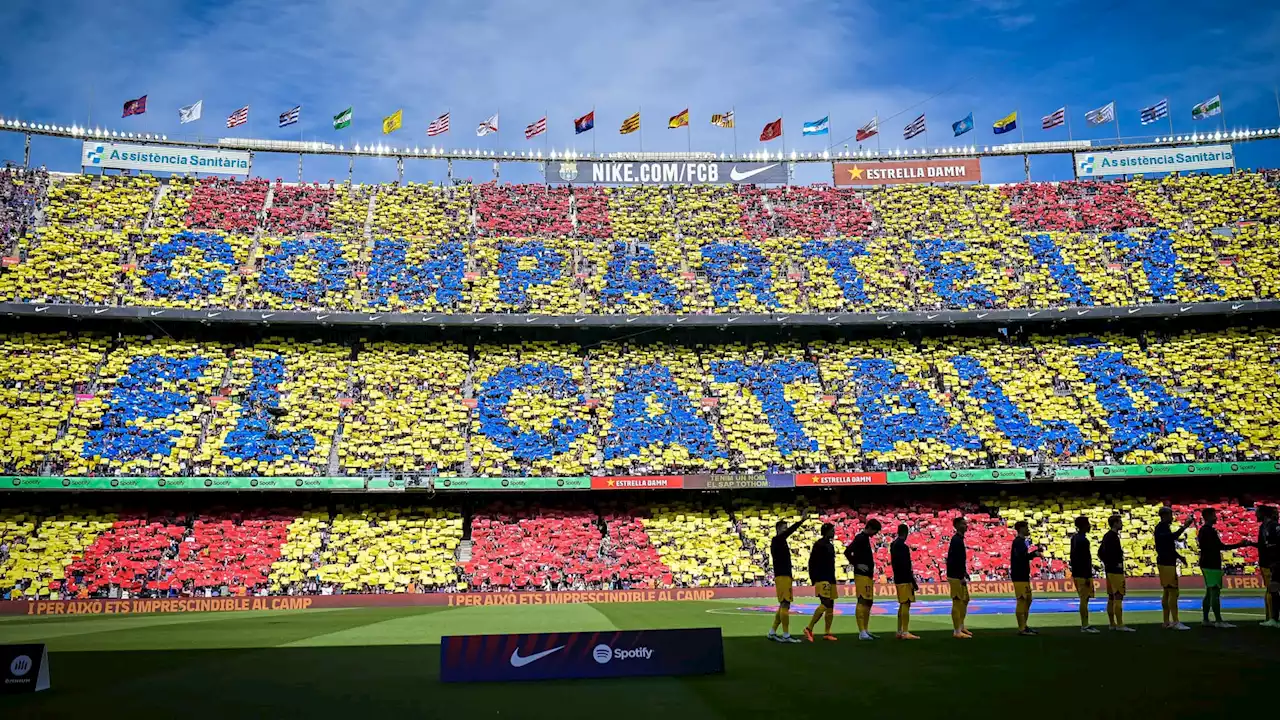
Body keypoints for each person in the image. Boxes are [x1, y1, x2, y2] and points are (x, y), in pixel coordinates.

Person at [1198, 507, 1246, 628]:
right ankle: (1218, 620)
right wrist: (1239, 544)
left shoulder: (1203, 530)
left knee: (1209, 592)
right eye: (1214, 515)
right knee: (1214, 591)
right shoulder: (1209, 531)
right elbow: (1221, 546)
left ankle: (1205, 619)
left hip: (1205, 562)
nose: (1216, 517)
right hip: (1212, 563)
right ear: (1208, 517)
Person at [768, 516, 806, 643]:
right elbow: (790, 531)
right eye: (784, 528)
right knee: (785, 603)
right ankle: (786, 635)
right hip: (782, 575)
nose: (786, 531)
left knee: (784, 604)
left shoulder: (780, 541)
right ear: (779, 529)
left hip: (784, 575)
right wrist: (801, 520)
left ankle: (772, 632)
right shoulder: (777, 539)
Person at [1154, 507, 1193, 631]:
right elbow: (1171, 538)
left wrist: (1179, 557)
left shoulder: (1162, 528)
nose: (1172, 517)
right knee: (1173, 591)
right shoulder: (1162, 527)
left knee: (1167, 591)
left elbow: (1167, 546)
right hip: (1166, 563)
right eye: (1171, 514)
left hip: (1165, 561)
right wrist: (1185, 526)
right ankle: (1175, 621)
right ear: (1165, 515)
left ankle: (1166, 621)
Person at [1096, 514, 1135, 632]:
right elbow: (1107, 553)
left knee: (1111, 597)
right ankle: (1120, 625)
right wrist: (1114, 563)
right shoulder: (1113, 537)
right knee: (1118, 596)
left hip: (1109, 570)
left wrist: (1107, 563)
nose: (1122, 524)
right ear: (1115, 523)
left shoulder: (1107, 536)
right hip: (1115, 570)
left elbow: (1100, 552)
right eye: (1120, 522)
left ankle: (1112, 624)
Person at [844, 518, 881, 641]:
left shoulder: (865, 539)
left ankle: (865, 630)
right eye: (875, 531)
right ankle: (862, 631)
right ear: (870, 528)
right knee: (862, 600)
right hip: (861, 575)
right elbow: (847, 551)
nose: (875, 534)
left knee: (869, 602)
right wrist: (856, 564)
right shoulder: (860, 538)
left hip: (868, 575)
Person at [804, 522, 839, 642]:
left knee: (831, 605)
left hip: (830, 578)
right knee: (826, 603)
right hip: (822, 578)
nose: (834, 532)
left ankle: (827, 632)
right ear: (827, 531)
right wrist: (813, 578)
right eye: (832, 530)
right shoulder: (819, 545)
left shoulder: (830, 545)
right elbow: (812, 562)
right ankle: (809, 628)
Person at [1010, 520, 1042, 636]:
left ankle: (1024, 625)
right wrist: (1034, 554)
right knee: (1022, 600)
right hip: (1019, 576)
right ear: (1021, 529)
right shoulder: (1018, 542)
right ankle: (1022, 628)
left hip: (1022, 575)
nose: (1028, 529)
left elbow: (1022, 556)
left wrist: (1033, 554)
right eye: (1026, 527)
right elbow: (1021, 557)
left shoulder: (1021, 542)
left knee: (1027, 600)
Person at [890, 523, 920, 640]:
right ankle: (905, 631)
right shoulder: (902, 546)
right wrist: (912, 581)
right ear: (906, 533)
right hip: (904, 578)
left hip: (898, 577)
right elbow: (906, 565)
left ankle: (899, 630)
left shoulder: (893, 544)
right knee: (906, 603)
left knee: (902, 604)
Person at [1070, 516, 1099, 633]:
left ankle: (1085, 624)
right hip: (1083, 574)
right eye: (1088, 523)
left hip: (1077, 572)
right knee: (1084, 599)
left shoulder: (1075, 538)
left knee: (1084, 599)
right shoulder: (1083, 540)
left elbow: (1074, 557)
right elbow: (1085, 559)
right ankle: (1085, 625)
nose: (1089, 525)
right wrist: (1087, 575)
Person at [947, 516, 972, 639]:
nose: (966, 526)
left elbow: (959, 559)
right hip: (955, 576)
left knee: (965, 599)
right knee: (957, 601)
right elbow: (955, 560)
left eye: (966, 523)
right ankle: (957, 630)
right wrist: (960, 575)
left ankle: (961, 626)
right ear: (956, 526)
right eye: (963, 524)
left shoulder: (959, 540)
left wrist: (964, 573)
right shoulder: (956, 540)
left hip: (958, 574)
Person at [1260, 506, 1280, 628]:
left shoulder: (1271, 527)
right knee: (1273, 589)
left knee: (1273, 589)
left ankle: (1274, 618)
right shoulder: (1270, 526)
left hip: (1275, 562)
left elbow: (1271, 545)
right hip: (1274, 562)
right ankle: (1273, 618)